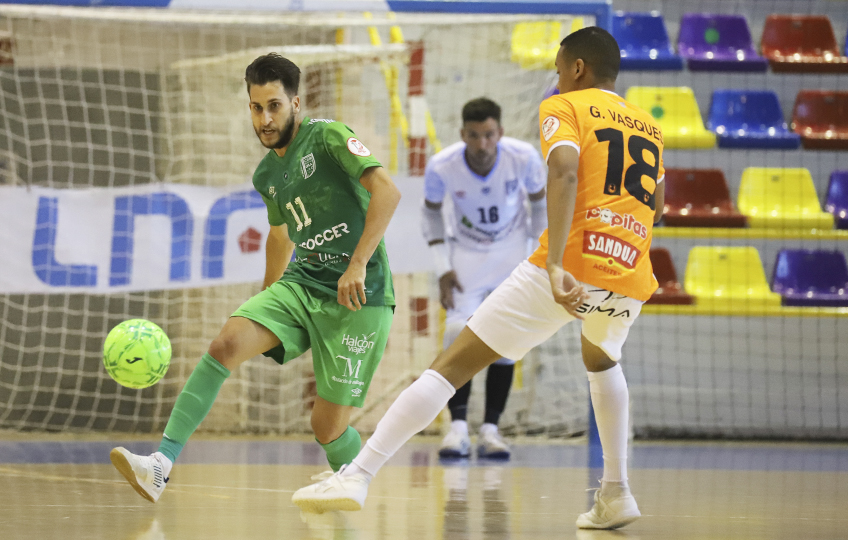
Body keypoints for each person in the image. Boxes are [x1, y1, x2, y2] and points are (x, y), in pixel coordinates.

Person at [292, 26, 665, 531]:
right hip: (629, 272)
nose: (556, 79)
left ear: (577, 68)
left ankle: (356, 475)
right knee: (602, 361)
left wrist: (556, 263)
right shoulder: (648, 124)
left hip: (571, 264)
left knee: (448, 367)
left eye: (558, 69)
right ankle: (616, 492)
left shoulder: (566, 106)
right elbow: (657, 207)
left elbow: (563, 172)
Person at [110, 53, 401, 503]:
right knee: (225, 344)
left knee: (326, 427)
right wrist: (269, 297)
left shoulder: (328, 137)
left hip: (359, 295)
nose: (264, 119)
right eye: (256, 107)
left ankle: (353, 479)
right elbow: (280, 235)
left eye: (274, 106)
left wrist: (358, 262)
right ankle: (160, 466)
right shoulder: (267, 174)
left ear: (296, 103)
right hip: (302, 285)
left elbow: (388, 190)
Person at [423, 97, 547, 459]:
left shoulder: (523, 157)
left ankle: (491, 430)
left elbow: (540, 206)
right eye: (474, 136)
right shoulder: (442, 166)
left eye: (489, 135)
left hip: (513, 255)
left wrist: (539, 258)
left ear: (500, 133)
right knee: (455, 332)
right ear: (462, 134)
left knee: (508, 341)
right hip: (467, 258)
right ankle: (457, 428)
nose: (482, 145)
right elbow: (430, 215)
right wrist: (442, 266)